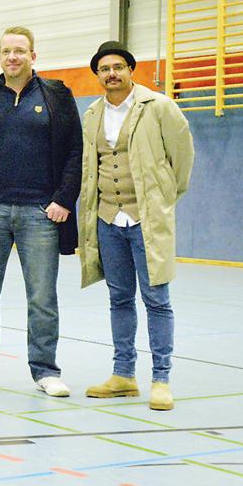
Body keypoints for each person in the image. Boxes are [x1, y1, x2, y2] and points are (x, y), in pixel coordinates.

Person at [0, 26, 81, 397]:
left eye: (20, 51)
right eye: (7, 51)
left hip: (40, 214)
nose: (13, 57)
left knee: (42, 297)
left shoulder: (56, 95)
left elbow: (75, 152)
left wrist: (63, 199)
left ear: (33, 56)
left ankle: (45, 371)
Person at [79, 41, 195, 411]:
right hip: (108, 220)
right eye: (103, 69)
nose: (111, 73)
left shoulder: (159, 107)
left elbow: (183, 159)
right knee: (119, 298)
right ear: (97, 75)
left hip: (147, 218)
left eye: (118, 67)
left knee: (157, 299)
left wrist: (161, 199)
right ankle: (124, 375)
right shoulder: (92, 114)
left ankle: (161, 379)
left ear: (131, 71)